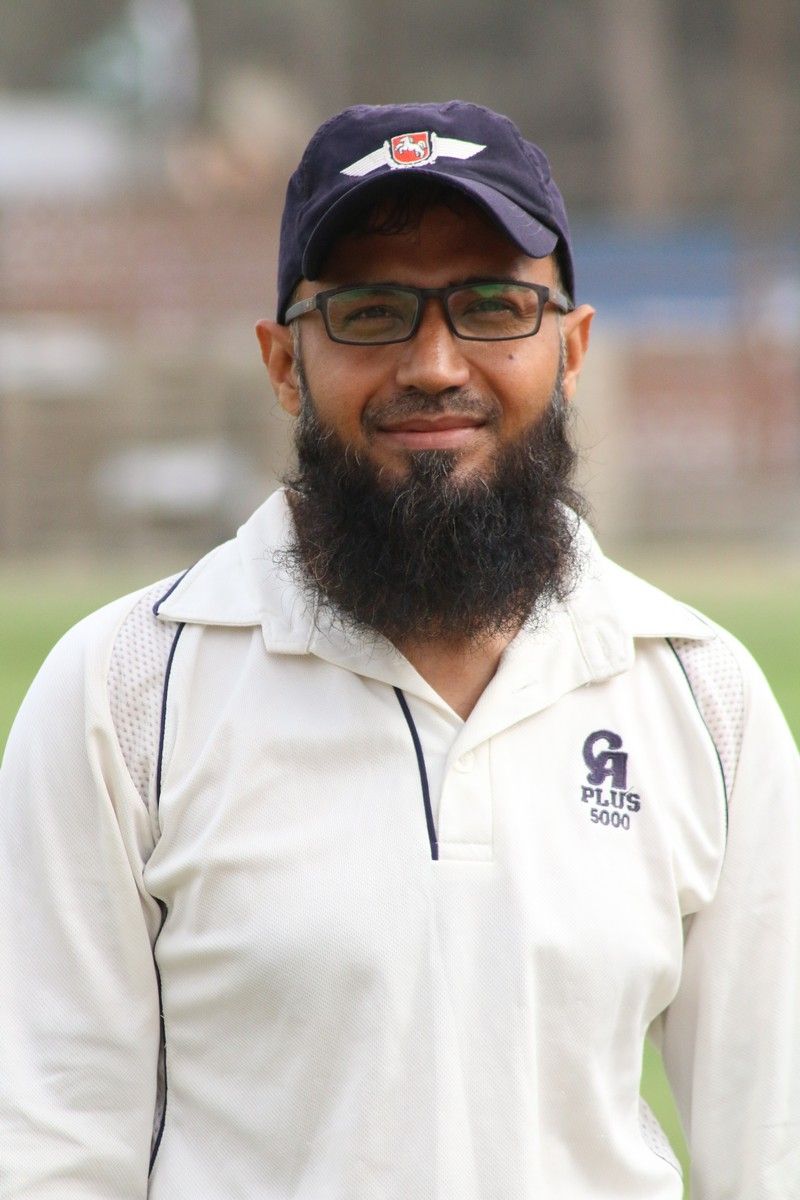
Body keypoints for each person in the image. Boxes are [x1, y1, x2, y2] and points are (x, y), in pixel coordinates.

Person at [0, 101, 797, 1200]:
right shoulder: (125, 692)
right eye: (370, 312)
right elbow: (49, 1155)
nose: (433, 363)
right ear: (284, 364)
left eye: (491, 307)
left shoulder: (701, 695)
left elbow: (773, 1151)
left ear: (569, 349)